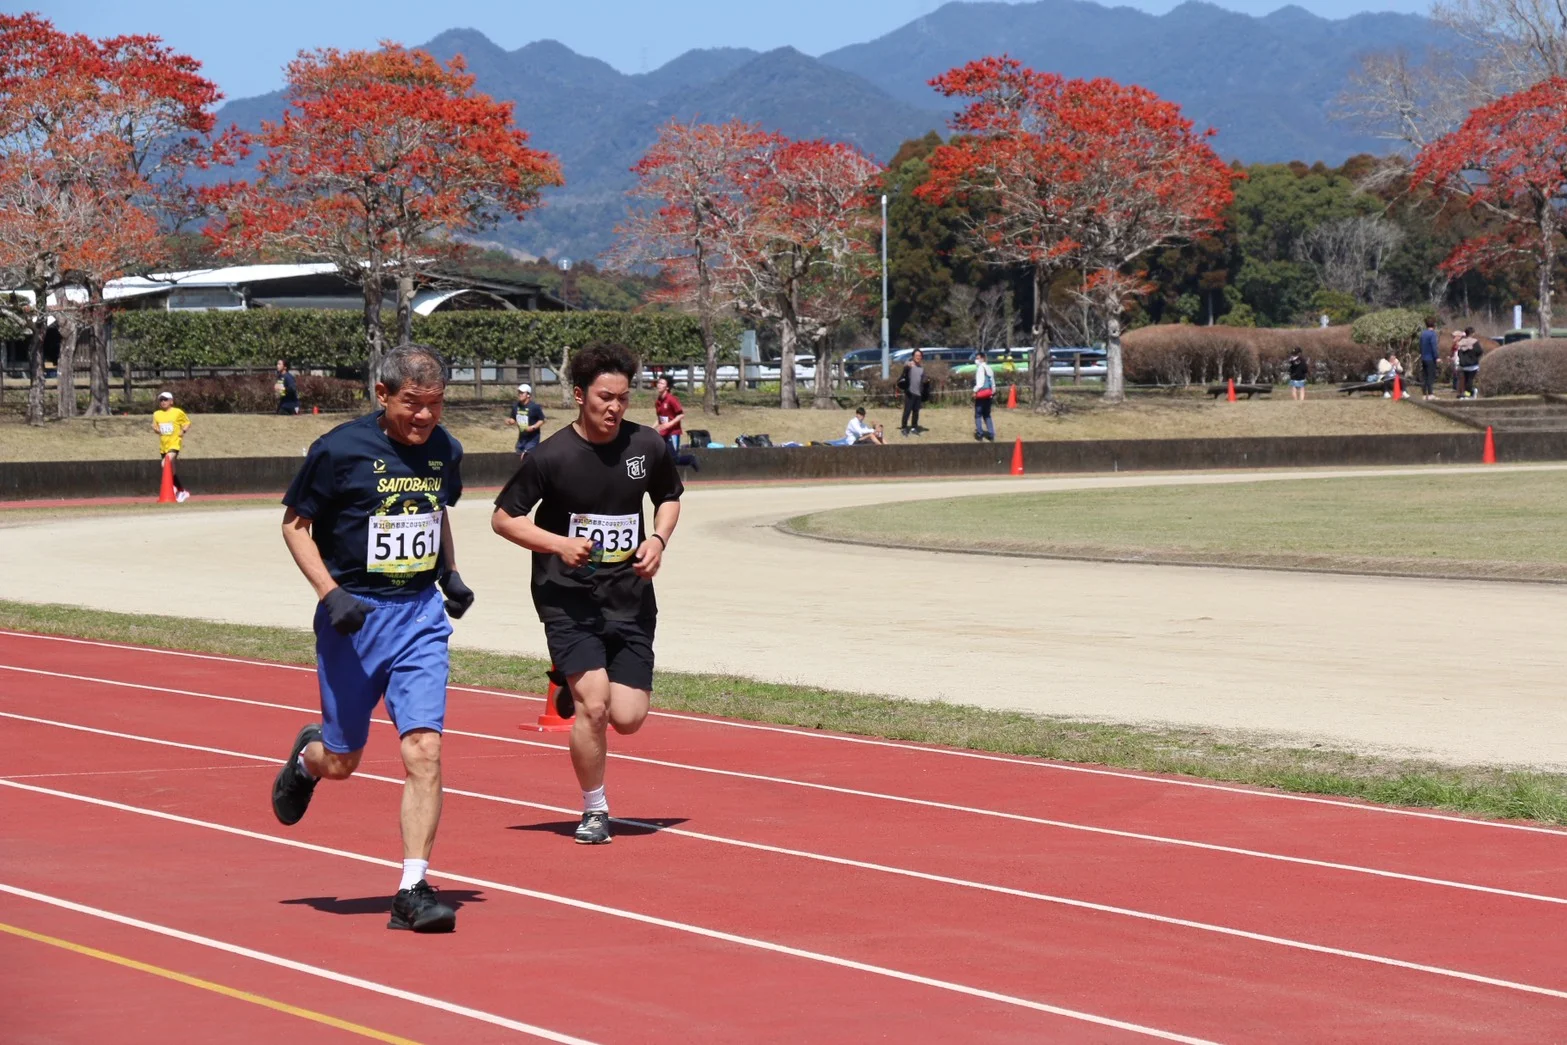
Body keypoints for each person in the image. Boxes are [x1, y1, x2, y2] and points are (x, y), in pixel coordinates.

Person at [269, 343, 476, 934]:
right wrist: (329, 593)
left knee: (424, 751)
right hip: (354, 619)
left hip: (419, 617)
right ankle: (308, 762)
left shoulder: (445, 449)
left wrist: (449, 573)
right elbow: (295, 525)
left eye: (435, 403)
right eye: (412, 403)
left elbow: (435, 511)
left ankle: (412, 888)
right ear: (382, 394)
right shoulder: (338, 450)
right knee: (343, 760)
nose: (425, 416)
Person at [490, 342, 683, 846]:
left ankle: (569, 678)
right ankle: (595, 809)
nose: (615, 407)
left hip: (630, 596)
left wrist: (657, 540)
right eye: (604, 397)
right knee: (593, 707)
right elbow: (504, 518)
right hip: (568, 596)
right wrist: (559, 544)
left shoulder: (647, 446)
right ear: (580, 396)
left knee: (628, 717)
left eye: (623, 398)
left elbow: (669, 497)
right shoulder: (550, 456)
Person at [152, 391, 192, 503]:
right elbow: (156, 427)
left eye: (165, 399)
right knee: (171, 470)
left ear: (171, 401)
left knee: (165, 464)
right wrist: (156, 430)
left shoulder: (177, 412)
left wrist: (183, 431)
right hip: (164, 445)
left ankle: (178, 489)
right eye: (161, 400)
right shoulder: (156, 414)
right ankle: (179, 489)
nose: (163, 402)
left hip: (174, 443)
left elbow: (187, 422)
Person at [506, 383, 545, 458]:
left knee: (527, 456)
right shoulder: (516, 406)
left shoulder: (534, 407)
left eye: (522, 393)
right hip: (521, 439)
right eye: (519, 392)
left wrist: (533, 427)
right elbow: (513, 418)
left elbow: (542, 420)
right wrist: (510, 421)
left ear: (528, 395)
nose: (520, 394)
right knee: (518, 456)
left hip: (532, 439)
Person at [897, 349, 929, 436]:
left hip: (918, 393)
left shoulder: (922, 368)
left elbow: (924, 378)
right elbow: (904, 372)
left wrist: (926, 380)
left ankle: (914, 427)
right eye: (916, 355)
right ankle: (904, 427)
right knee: (907, 411)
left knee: (916, 412)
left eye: (920, 356)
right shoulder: (909, 365)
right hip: (910, 392)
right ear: (913, 356)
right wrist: (907, 366)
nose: (918, 357)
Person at [653, 375, 685, 455]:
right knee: (663, 456)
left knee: (674, 457)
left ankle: (691, 459)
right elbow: (660, 418)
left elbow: (681, 415)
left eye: (662, 383)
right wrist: (652, 428)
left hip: (673, 433)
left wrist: (669, 424)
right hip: (663, 433)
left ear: (667, 387)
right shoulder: (658, 401)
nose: (659, 385)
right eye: (658, 383)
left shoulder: (671, 399)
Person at [972, 349, 996, 440]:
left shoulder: (980, 368)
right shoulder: (989, 368)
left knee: (978, 415)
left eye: (977, 358)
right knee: (987, 415)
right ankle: (991, 434)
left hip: (981, 394)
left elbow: (980, 383)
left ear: (982, 359)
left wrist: (975, 391)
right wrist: (993, 392)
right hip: (989, 394)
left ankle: (980, 434)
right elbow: (992, 382)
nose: (976, 360)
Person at [1457, 328, 1484, 398]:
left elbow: (1458, 353)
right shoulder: (1474, 342)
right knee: (1470, 380)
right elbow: (1480, 351)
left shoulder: (1461, 342)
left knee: (1465, 380)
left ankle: (1468, 394)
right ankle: (1471, 393)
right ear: (1472, 333)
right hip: (1473, 364)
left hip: (1463, 364)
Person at [1418, 319, 1440, 400]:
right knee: (1431, 376)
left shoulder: (1423, 334)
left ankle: (1424, 394)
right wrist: (1436, 357)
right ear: (1434, 325)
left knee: (1425, 376)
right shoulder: (1432, 334)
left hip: (1424, 357)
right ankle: (1430, 394)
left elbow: (1420, 345)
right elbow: (1434, 346)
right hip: (1430, 358)